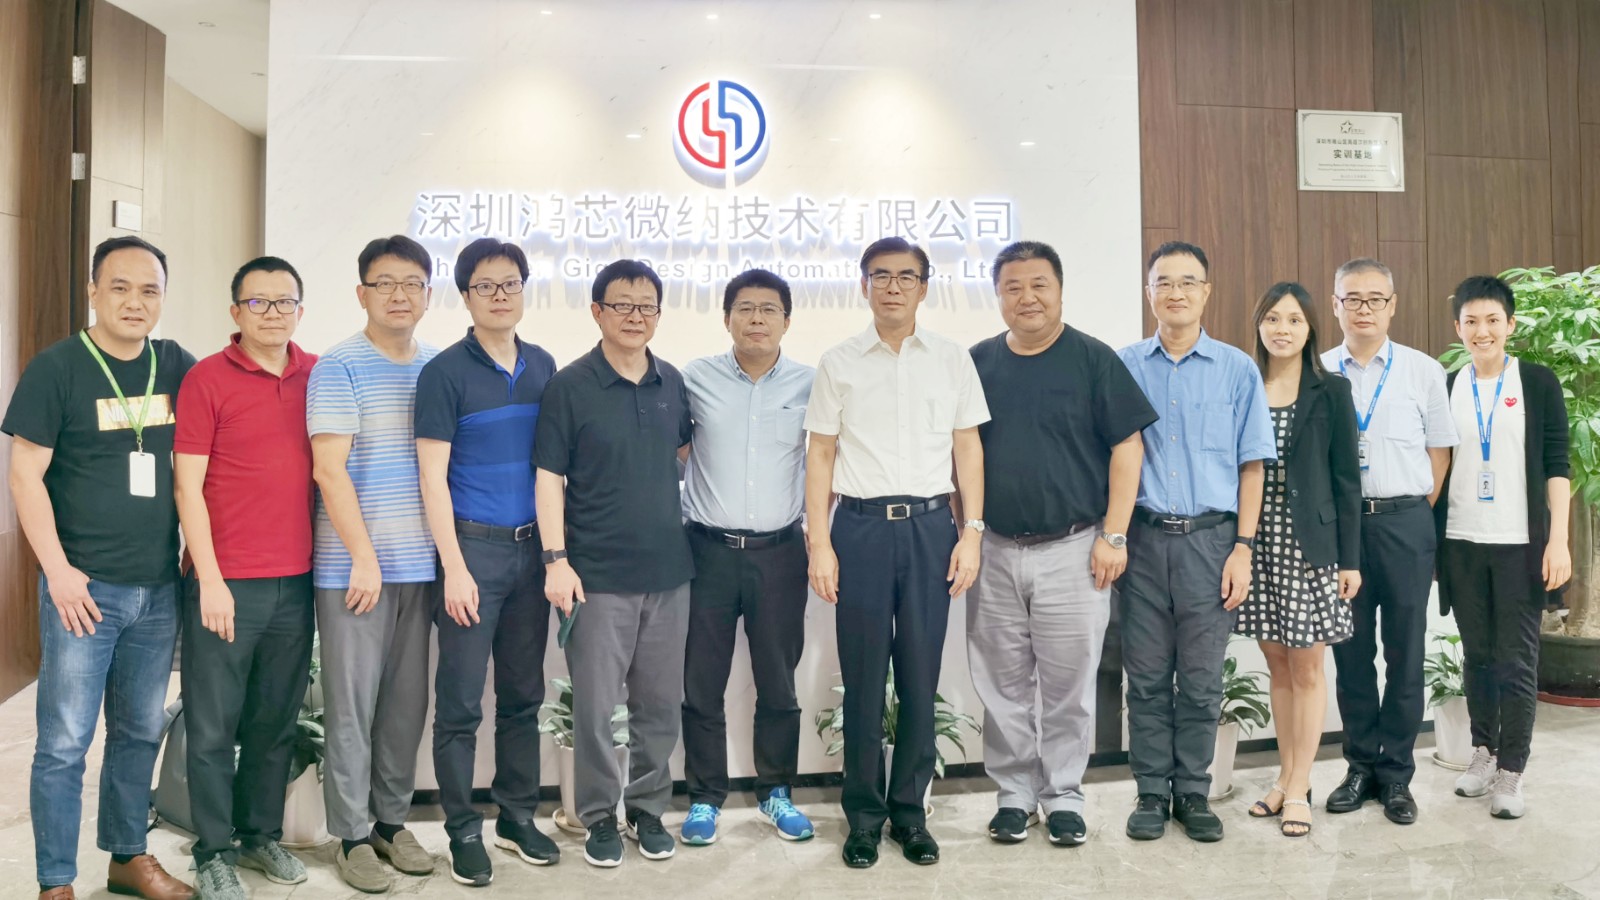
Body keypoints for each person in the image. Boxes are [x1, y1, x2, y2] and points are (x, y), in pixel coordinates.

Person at [4, 236, 197, 900]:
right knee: (64, 743)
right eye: (119, 287)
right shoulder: (57, 367)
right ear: (93, 291)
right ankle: (56, 882)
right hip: (83, 590)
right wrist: (58, 572)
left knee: (139, 732)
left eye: (149, 290)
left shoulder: (175, 365)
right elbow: (24, 476)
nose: (135, 302)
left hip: (158, 587)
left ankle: (127, 857)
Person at [804, 236, 989, 869]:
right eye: (880, 275)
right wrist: (820, 542)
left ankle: (910, 814)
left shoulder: (951, 359)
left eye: (905, 276)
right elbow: (821, 454)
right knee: (861, 681)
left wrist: (971, 532)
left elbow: (968, 448)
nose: (892, 286)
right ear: (863, 285)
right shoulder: (838, 362)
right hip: (858, 530)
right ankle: (863, 818)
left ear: (923, 287)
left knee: (919, 675)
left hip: (932, 529)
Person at [966, 241, 1154, 847]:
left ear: (1060, 291)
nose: (1027, 297)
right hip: (995, 549)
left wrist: (1114, 534)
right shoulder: (976, 363)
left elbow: (1128, 447)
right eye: (1013, 287)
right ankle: (1015, 796)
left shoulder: (1093, 359)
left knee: (1069, 687)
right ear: (998, 296)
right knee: (1002, 685)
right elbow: (960, 453)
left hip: (1075, 549)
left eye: (1039, 284)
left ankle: (1065, 795)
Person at [534, 260, 694, 869]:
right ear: (597, 311)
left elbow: (681, 453)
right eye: (622, 304)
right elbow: (549, 478)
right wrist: (556, 559)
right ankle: (598, 815)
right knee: (596, 708)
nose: (635, 316)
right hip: (596, 577)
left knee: (660, 705)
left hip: (669, 574)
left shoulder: (671, 381)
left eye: (646, 305)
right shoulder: (570, 386)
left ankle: (647, 810)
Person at [1116, 240, 1274, 844]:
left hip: (1212, 544)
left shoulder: (1237, 369)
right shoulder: (1124, 366)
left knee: (1203, 680)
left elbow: (1252, 467)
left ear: (1207, 292)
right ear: (1148, 292)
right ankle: (1151, 793)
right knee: (1146, 679)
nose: (1175, 292)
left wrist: (1243, 548)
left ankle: (1193, 793)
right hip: (1143, 541)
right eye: (1164, 282)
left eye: (1188, 282)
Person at [415, 238, 560, 884]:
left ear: (524, 290)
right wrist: (454, 566)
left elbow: (553, 469)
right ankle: (462, 829)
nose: (500, 296)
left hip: (532, 553)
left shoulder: (543, 365)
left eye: (510, 284)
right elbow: (432, 479)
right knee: (460, 704)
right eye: (485, 286)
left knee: (524, 696)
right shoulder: (444, 373)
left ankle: (516, 816)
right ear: (466, 296)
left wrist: (556, 553)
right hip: (472, 553)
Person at [172, 257, 317, 898]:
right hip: (225, 583)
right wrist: (209, 578)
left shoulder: (317, 375)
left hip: (297, 580)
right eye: (258, 302)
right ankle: (212, 851)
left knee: (274, 719)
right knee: (212, 725)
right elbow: (187, 487)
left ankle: (259, 836)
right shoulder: (206, 379)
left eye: (284, 302)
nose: (273, 313)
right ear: (236, 312)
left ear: (300, 311)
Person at [309, 235, 440, 892]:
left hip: (420, 566)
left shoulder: (439, 366)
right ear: (362, 293)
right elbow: (328, 471)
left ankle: (391, 822)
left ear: (428, 294)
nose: (399, 294)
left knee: (405, 707)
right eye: (385, 282)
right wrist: (363, 557)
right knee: (352, 708)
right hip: (354, 571)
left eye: (412, 282)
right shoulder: (340, 366)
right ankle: (351, 835)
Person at [678, 270, 817, 846]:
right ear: (727, 317)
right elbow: (672, 451)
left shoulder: (811, 383)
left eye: (768, 309)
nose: (756, 318)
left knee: (778, 684)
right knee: (701, 683)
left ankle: (776, 793)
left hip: (781, 553)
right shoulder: (694, 379)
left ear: (787, 320)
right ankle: (704, 798)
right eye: (745, 308)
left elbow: (826, 461)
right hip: (706, 552)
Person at [1320, 257, 1458, 826]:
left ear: (1392, 305)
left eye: (1375, 298)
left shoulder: (1423, 371)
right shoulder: (1318, 371)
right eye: (1352, 298)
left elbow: (1439, 454)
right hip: (1341, 530)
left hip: (1404, 523)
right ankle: (1359, 767)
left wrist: (1409, 512)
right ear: (1335, 305)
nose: (1364, 308)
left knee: (1405, 653)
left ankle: (1397, 774)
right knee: (1350, 654)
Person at [1435, 274, 1570, 820]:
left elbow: (1557, 464)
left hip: (1519, 545)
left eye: (1493, 320)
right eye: (1471, 321)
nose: (1482, 330)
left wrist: (1558, 539)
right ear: (1458, 327)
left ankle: (1512, 770)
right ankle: (1484, 753)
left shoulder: (1537, 382)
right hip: (1462, 543)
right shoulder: (1447, 384)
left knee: (1516, 662)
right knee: (1478, 658)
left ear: (1510, 324)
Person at [1235, 282, 1362, 838]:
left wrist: (1349, 559)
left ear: (1310, 329)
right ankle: (1286, 778)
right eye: (1272, 318)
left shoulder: (1330, 390)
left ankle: (1301, 784)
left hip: (1311, 547)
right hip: (1255, 543)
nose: (1281, 328)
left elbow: (1347, 478)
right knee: (1278, 665)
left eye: (1293, 319)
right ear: (1259, 325)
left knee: (1308, 666)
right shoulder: (1244, 384)